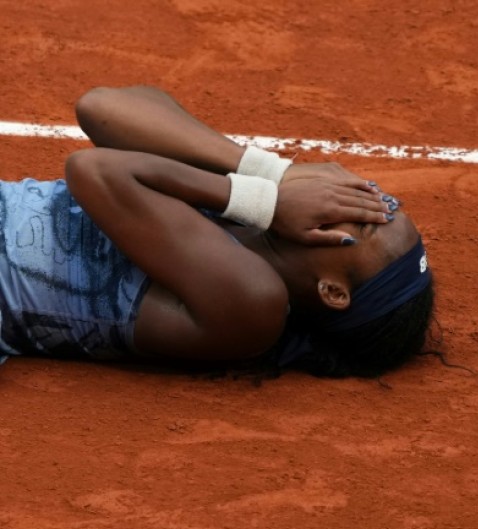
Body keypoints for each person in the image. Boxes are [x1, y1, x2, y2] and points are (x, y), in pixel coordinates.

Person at [0, 86, 435, 378]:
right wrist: (273, 174)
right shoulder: (248, 214)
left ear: (333, 292)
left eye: (366, 223)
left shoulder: (254, 304)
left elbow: (92, 170)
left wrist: (264, 200)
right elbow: (101, 106)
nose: (366, 202)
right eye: (382, 202)